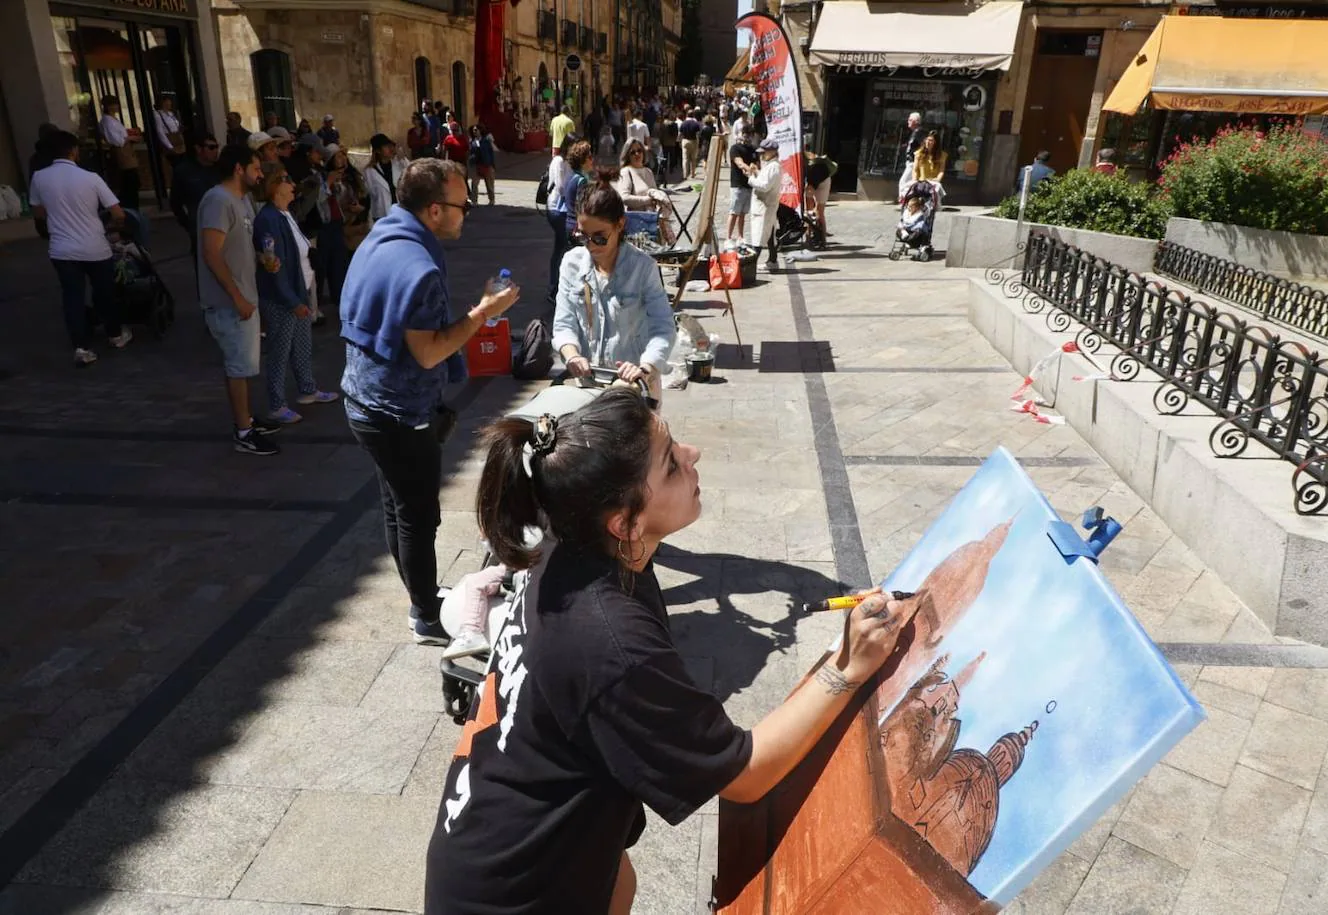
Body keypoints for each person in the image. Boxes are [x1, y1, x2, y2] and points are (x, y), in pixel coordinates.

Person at [424, 386, 918, 913]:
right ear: (627, 523)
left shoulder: (572, 554)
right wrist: (847, 668)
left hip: (492, 850)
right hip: (511, 895)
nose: (693, 455)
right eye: (671, 464)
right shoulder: (609, 641)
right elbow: (744, 776)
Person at [339, 158, 521, 644]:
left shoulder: (383, 234)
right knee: (418, 515)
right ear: (435, 209)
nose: (468, 213)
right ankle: (424, 613)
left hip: (363, 399)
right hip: (397, 412)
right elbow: (429, 351)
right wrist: (484, 312)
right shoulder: (418, 268)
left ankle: (418, 593)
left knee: (396, 505)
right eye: (464, 205)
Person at [553, 177, 674, 403]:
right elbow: (563, 324)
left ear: (620, 225)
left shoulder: (643, 267)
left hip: (635, 386)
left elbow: (663, 327)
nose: (590, 245)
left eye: (599, 237)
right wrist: (572, 355)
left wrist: (645, 366)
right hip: (588, 386)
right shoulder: (571, 263)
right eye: (583, 236)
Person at [28, 130, 131, 367]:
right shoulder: (90, 177)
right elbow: (118, 213)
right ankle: (115, 335)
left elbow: (38, 213)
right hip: (94, 247)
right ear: (73, 151)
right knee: (105, 293)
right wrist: (113, 227)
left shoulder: (39, 178)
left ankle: (81, 348)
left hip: (62, 249)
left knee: (72, 297)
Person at [198, 144, 276, 454]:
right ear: (238, 169)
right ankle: (243, 432)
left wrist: (262, 259)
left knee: (245, 365)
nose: (260, 174)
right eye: (256, 168)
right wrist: (237, 297)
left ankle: (248, 419)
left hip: (245, 298)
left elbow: (239, 246)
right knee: (238, 367)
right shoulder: (218, 200)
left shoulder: (242, 202)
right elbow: (211, 252)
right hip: (230, 303)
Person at [253, 169, 338, 423]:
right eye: (287, 181)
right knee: (279, 351)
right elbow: (273, 264)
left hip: (300, 291)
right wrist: (292, 301)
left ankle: (308, 389)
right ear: (275, 187)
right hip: (283, 298)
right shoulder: (268, 219)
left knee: (302, 345)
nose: (293, 185)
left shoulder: (285, 213)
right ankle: (276, 404)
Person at [171, 130, 222, 265]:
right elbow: (176, 202)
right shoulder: (183, 171)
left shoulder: (221, 169)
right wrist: (189, 223)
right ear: (198, 149)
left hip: (223, 224)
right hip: (199, 227)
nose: (215, 151)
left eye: (217, 147)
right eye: (211, 147)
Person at [614, 139, 674, 244]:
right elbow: (624, 197)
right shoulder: (626, 172)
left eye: (639, 150)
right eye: (632, 152)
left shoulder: (648, 171)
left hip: (652, 222)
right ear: (627, 155)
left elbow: (654, 192)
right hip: (636, 226)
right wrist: (647, 200)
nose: (637, 154)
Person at [544, 134, 575, 309]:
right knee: (563, 246)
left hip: (565, 209)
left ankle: (557, 286)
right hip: (557, 209)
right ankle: (554, 288)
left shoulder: (569, 162)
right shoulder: (558, 162)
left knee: (561, 246)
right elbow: (562, 187)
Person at [98, 95, 142, 211]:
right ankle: (128, 207)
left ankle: (131, 205)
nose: (117, 107)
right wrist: (130, 138)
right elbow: (116, 140)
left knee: (132, 181)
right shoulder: (107, 121)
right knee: (129, 181)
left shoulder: (114, 120)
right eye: (114, 104)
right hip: (121, 151)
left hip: (126, 149)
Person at [745, 137, 782, 271]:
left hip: (765, 206)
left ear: (772, 152)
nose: (761, 155)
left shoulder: (774, 167)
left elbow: (764, 185)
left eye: (764, 152)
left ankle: (750, 267)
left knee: (759, 237)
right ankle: (772, 260)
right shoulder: (770, 166)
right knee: (769, 235)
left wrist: (750, 178)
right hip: (765, 205)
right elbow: (764, 179)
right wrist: (756, 172)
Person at [364, 133, 409, 220]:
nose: (390, 149)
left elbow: (411, 174)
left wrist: (403, 158)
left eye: (390, 145)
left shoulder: (398, 164)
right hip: (381, 214)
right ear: (378, 151)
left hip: (400, 211)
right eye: (386, 146)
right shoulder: (369, 171)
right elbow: (371, 193)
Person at [804, 149, 838, 249]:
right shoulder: (809, 159)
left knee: (811, 212)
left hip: (820, 179)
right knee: (816, 212)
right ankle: (820, 241)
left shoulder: (808, 166)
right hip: (823, 177)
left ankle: (811, 239)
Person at [726, 131, 756, 243]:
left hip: (749, 184)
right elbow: (739, 163)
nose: (747, 138)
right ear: (741, 135)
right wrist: (750, 170)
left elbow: (755, 163)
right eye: (746, 135)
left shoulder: (753, 149)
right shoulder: (735, 148)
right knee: (734, 212)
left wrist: (754, 169)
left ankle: (740, 236)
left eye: (749, 135)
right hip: (737, 184)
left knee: (743, 213)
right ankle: (728, 237)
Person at [153, 96, 186, 189]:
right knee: (176, 166)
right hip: (170, 140)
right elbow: (160, 131)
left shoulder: (171, 114)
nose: (169, 104)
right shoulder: (158, 115)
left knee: (182, 165)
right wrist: (169, 146)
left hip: (178, 140)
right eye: (166, 102)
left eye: (170, 102)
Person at [911, 131, 948, 210]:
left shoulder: (941, 155)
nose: (928, 142)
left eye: (931, 140)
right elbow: (915, 169)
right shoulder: (919, 153)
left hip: (933, 181)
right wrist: (914, 180)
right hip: (921, 181)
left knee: (936, 189)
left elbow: (941, 171)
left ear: (935, 143)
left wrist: (938, 179)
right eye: (927, 140)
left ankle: (934, 205)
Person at [895, 111, 923, 203]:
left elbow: (922, 146)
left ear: (916, 121)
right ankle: (910, 201)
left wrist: (917, 157)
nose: (908, 121)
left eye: (910, 120)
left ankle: (903, 200)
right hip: (910, 162)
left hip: (913, 162)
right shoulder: (914, 132)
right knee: (911, 182)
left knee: (903, 182)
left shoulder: (919, 132)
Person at [469, 124, 496, 205]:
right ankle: (474, 201)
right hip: (476, 165)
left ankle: (491, 200)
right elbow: (470, 152)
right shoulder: (472, 142)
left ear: (480, 131)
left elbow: (491, 152)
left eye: (476, 130)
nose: (475, 132)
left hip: (487, 164)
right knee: (474, 184)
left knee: (489, 184)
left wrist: (492, 164)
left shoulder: (486, 141)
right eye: (473, 130)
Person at [679, 109, 702, 181]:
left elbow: (680, 134)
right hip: (693, 141)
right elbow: (698, 134)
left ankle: (685, 175)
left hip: (685, 141)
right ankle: (692, 173)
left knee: (685, 159)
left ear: (686, 115)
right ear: (693, 115)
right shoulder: (695, 124)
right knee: (693, 159)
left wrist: (679, 141)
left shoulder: (683, 123)